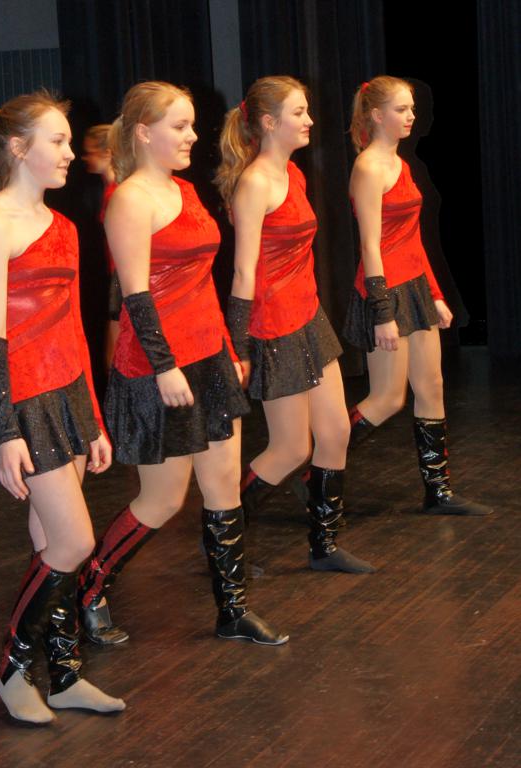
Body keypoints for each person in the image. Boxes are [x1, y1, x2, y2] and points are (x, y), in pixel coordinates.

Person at [78, 81, 288, 647]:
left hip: (208, 355)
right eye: (180, 126)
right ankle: (89, 589)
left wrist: (228, 348)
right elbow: (135, 295)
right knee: (163, 499)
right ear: (144, 132)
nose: (193, 135)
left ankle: (233, 611)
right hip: (158, 367)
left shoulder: (187, 190)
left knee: (223, 486)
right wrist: (165, 365)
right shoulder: (130, 199)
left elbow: (201, 284)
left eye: (192, 124)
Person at [0, 92, 126, 724]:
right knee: (74, 540)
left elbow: (74, 331)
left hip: (66, 396)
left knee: (52, 543)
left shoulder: (64, 227)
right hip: (23, 402)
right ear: (18, 148)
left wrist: (93, 420)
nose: (69, 152)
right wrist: (4, 430)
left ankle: (62, 675)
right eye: (57, 141)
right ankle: (11, 669)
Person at [215, 75, 375, 574]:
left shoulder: (293, 174)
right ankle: (220, 537)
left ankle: (324, 546)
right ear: (268, 122)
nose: (310, 120)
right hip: (273, 326)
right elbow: (243, 273)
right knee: (289, 449)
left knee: (335, 432)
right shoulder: (255, 183)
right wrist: (239, 346)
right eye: (299, 112)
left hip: (308, 318)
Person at [343, 75, 491, 516]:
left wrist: (436, 294)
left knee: (432, 386)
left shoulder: (400, 163)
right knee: (388, 399)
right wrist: (382, 311)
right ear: (376, 115)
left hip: (414, 286)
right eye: (402, 109)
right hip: (384, 290)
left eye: (412, 108)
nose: (412, 116)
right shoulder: (369, 167)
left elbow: (411, 240)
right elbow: (370, 246)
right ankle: (317, 466)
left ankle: (438, 490)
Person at [81, 124, 120, 368]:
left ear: (107, 153)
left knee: (114, 357)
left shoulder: (118, 192)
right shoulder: (109, 190)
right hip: (116, 279)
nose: (85, 158)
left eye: (90, 152)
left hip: (122, 281)